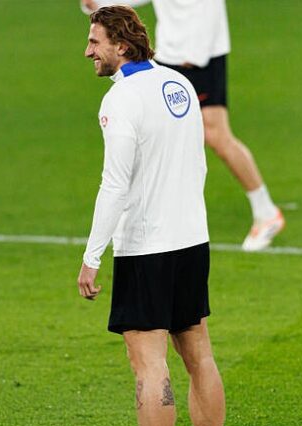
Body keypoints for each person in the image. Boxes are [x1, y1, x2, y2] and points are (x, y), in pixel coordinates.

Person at [77, 6, 225, 426]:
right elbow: (198, 162)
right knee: (200, 356)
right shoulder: (179, 84)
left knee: (149, 365)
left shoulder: (120, 99)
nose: (88, 52)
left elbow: (114, 185)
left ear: (121, 46)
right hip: (192, 240)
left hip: (146, 248)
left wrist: (92, 256)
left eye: (95, 42)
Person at [82, 0, 285, 251]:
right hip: (169, 55)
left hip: (196, 57)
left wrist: (196, 51)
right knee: (168, 133)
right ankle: (166, 219)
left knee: (214, 135)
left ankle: (265, 212)